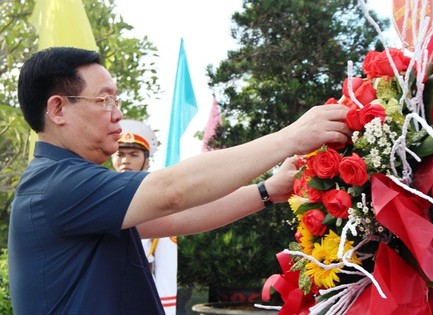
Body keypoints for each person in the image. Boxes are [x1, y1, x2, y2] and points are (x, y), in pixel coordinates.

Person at [8, 46, 351, 314]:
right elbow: (172, 191)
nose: (117, 113)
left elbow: (174, 217)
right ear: (57, 109)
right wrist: (291, 137)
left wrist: (267, 191)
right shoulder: (56, 185)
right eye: (104, 99)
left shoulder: (68, 182)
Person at [112, 119, 178, 315]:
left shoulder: (157, 202)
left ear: (146, 160)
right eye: (120, 154)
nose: (126, 160)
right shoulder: (96, 192)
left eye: (134, 154)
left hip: (137, 298)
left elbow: (166, 269)